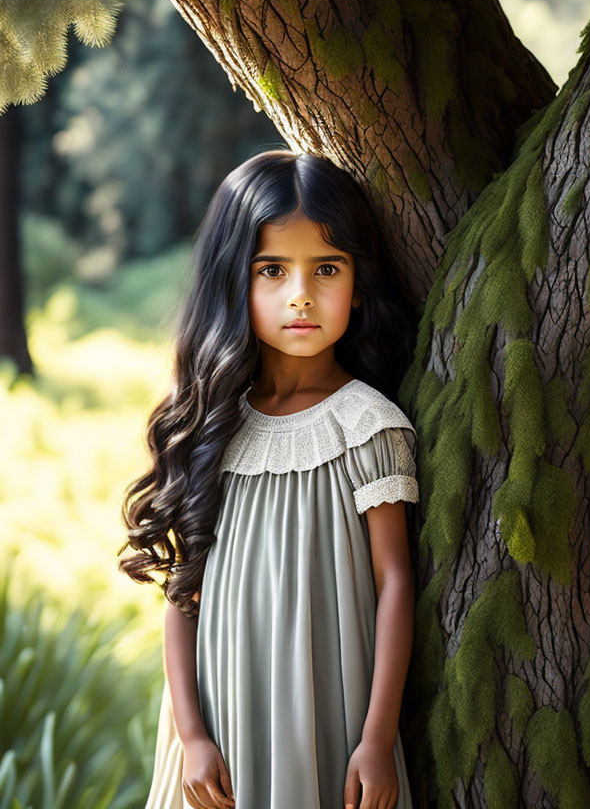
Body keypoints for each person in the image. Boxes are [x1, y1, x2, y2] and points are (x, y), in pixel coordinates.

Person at [118, 149, 421, 809]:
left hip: (329, 720)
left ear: (359, 283)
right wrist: (191, 736)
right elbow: (182, 590)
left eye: (327, 268)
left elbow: (394, 581)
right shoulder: (210, 426)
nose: (302, 294)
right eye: (273, 270)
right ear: (234, 280)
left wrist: (376, 737)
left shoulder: (370, 425)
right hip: (221, 729)